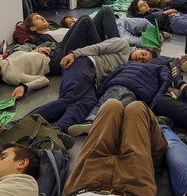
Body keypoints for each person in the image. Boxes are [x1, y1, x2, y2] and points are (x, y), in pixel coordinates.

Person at [25, 37, 158, 134]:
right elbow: (98, 47)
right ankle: (21, 123)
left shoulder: (128, 67)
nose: (140, 58)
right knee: (71, 98)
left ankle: (59, 129)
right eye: (143, 54)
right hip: (84, 64)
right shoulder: (123, 45)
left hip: (92, 80)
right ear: (140, 49)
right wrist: (74, 54)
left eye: (143, 61)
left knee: (88, 102)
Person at [60, 100, 167, 196]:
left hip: (83, 186)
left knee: (111, 105)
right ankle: (157, 151)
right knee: (137, 108)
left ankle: (140, 140)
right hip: (132, 191)